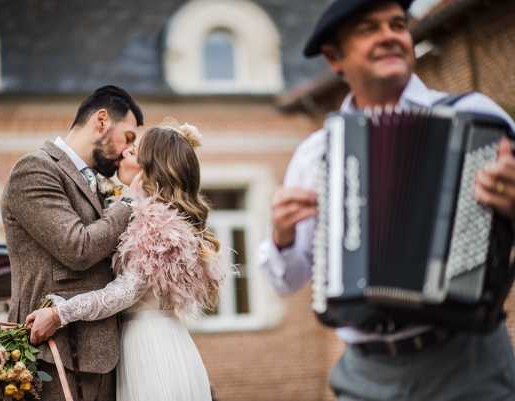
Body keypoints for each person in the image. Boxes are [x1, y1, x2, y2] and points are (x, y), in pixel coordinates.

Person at [259, 1, 515, 400]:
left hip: (468, 361)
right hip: (364, 375)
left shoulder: (475, 117)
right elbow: (286, 280)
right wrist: (281, 236)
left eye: (397, 25)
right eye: (368, 29)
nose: (390, 36)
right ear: (334, 58)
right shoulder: (317, 152)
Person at [26, 122, 223, 401]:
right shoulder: (164, 217)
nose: (124, 152)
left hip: (151, 351)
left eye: (134, 151)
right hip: (165, 341)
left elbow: (126, 292)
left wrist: (61, 314)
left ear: (150, 169)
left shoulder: (155, 223)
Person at [1, 85, 143, 401]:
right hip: (55, 355)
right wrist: (130, 201)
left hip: (102, 355)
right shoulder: (36, 168)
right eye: (129, 137)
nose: (127, 150)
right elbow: (77, 249)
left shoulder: (92, 180)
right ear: (102, 120)